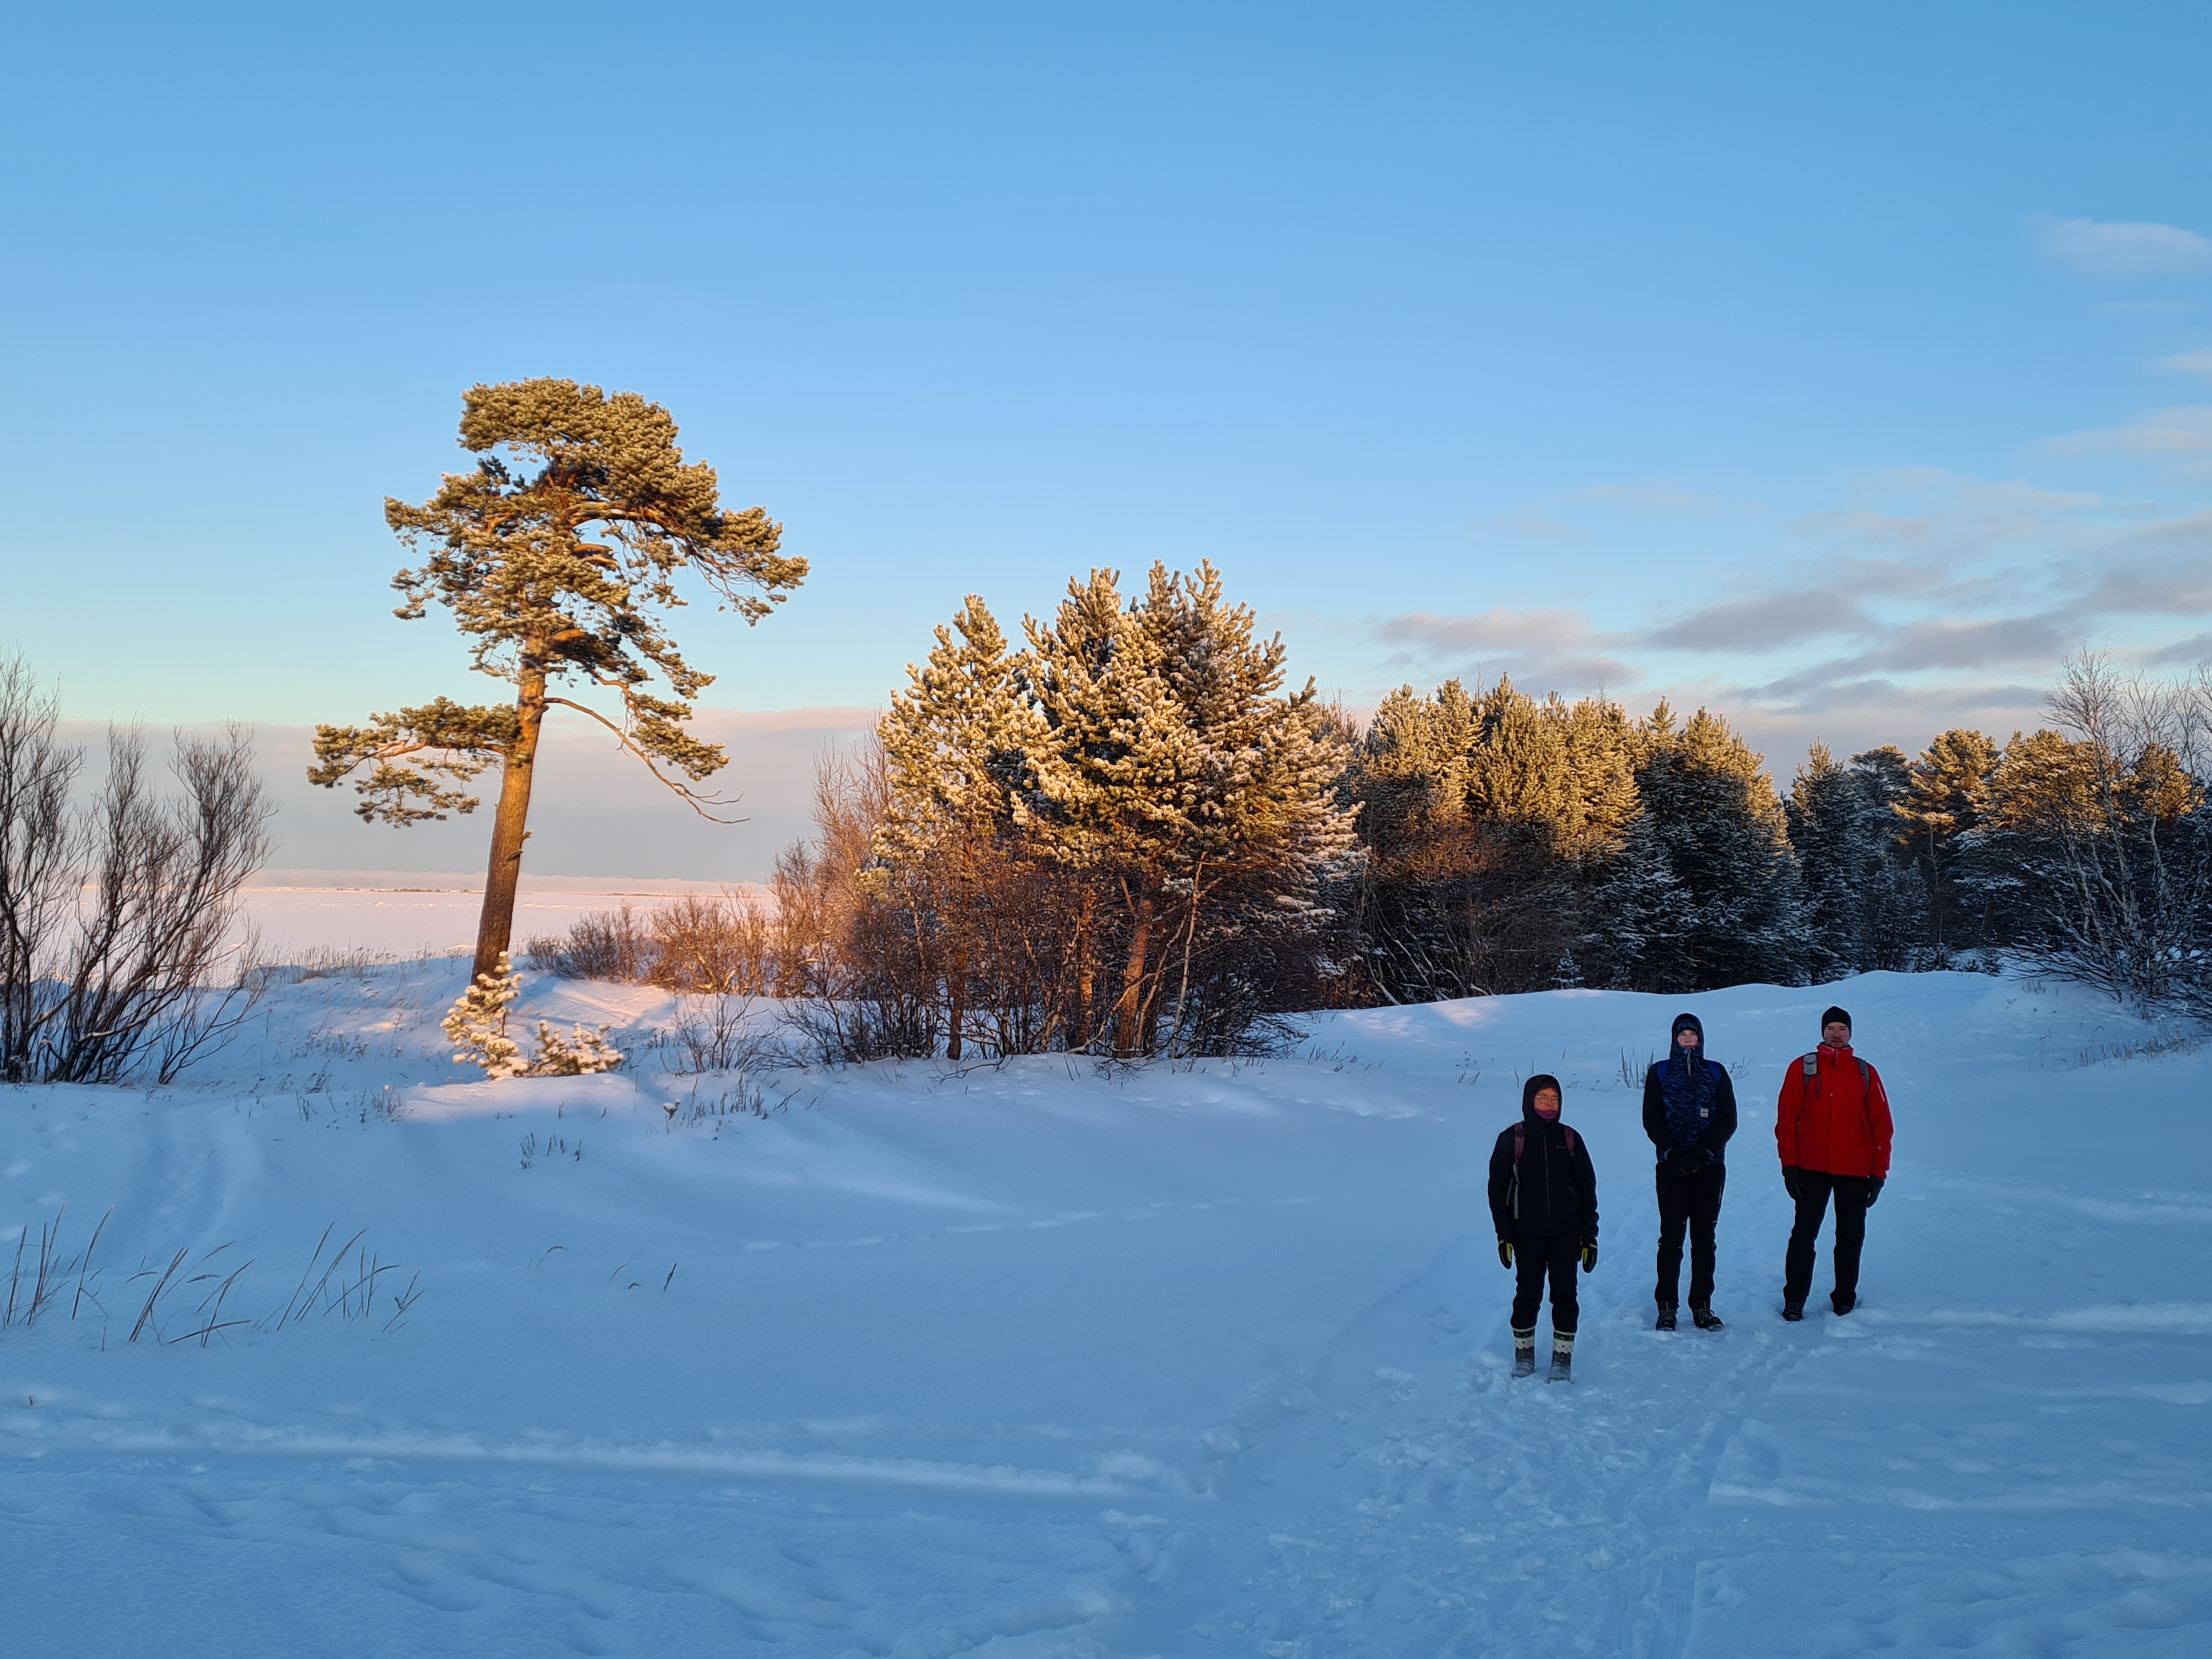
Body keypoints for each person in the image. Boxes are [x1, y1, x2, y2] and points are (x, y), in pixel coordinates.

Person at [1774, 1004, 1893, 1321]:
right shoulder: (1803, 1068)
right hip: (1811, 1166)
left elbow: (1882, 1124)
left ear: (1850, 1034)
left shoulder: (1865, 1072)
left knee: (1850, 1237)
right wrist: (1789, 1165)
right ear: (1822, 1033)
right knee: (1804, 1235)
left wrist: (1879, 1172)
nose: (1836, 1034)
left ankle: (1844, 1299)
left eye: (1842, 1029)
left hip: (1855, 1168)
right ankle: (1795, 1299)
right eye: (1831, 1029)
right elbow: (1787, 1120)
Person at [1488, 1073, 1599, 1381]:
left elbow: (1587, 1190)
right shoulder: (1513, 1138)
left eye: (1555, 1099)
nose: (1550, 1104)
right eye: (1543, 1098)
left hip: (1566, 1234)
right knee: (1528, 1295)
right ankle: (1524, 1354)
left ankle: (1562, 1359)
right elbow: (1498, 1191)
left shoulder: (1570, 1138)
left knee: (1565, 1296)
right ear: (1529, 1100)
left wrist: (1590, 1236)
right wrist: (1504, 1235)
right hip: (1527, 1234)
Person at [1643, 1012, 1737, 1331]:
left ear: (1700, 1038)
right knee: (1671, 1238)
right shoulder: (1660, 1072)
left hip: (1709, 1167)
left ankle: (1702, 1306)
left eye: (1692, 1035)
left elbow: (1728, 1120)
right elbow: (1652, 1119)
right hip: (1671, 1168)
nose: (1687, 1040)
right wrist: (1674, 1153)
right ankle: (1667, 1307)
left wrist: (1702, 1153)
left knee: (1704, 1239)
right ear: (1674, 1038)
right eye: (1682, 1035)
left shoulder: (1715, 1072)